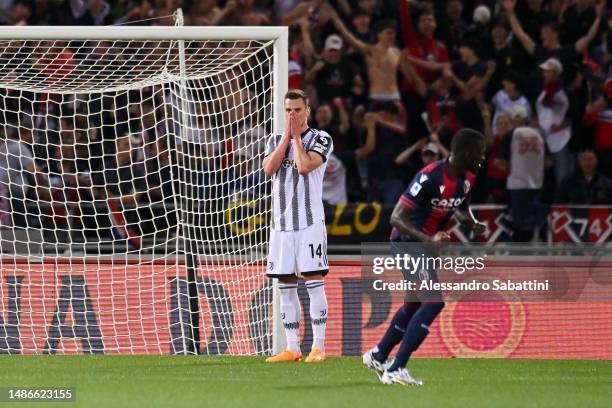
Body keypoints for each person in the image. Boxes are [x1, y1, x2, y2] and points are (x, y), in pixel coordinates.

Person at [362, 128, 486, 385]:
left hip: (426, 247)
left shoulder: (468, 177)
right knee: (433, 302)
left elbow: (461, 205)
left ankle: (379, 354)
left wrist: (471, 223)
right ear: (465, 153)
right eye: (479, 153)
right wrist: (430, 239)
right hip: (407, 243)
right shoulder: (429, 176)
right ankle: (396, 368)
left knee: (414, 304)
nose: (482, 158)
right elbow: (396, 217)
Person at [262, 89, 333, 363]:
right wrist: (286, 139)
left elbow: (304, 166)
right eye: (288, 110)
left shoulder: (321, 138)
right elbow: (269, 170)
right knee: (285, 283)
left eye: (297, 110)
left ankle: (318, 347)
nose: (292, 115)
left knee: (314, 281)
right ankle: (292, 347)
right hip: (281, 225)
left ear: (308, 111)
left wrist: (295, 139)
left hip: (309, 223)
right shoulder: (272, 140)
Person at [497, 106, 547, 241]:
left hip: (518, 182)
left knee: (519, 221)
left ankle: (543, 217)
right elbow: (547, 161)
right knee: (524, 214)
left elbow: (503, 163)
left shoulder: (512, 135)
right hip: (536, 182)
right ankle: (539, 216)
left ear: (513, 119)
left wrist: (499, 164)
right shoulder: (539, 135)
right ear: (526, 119)